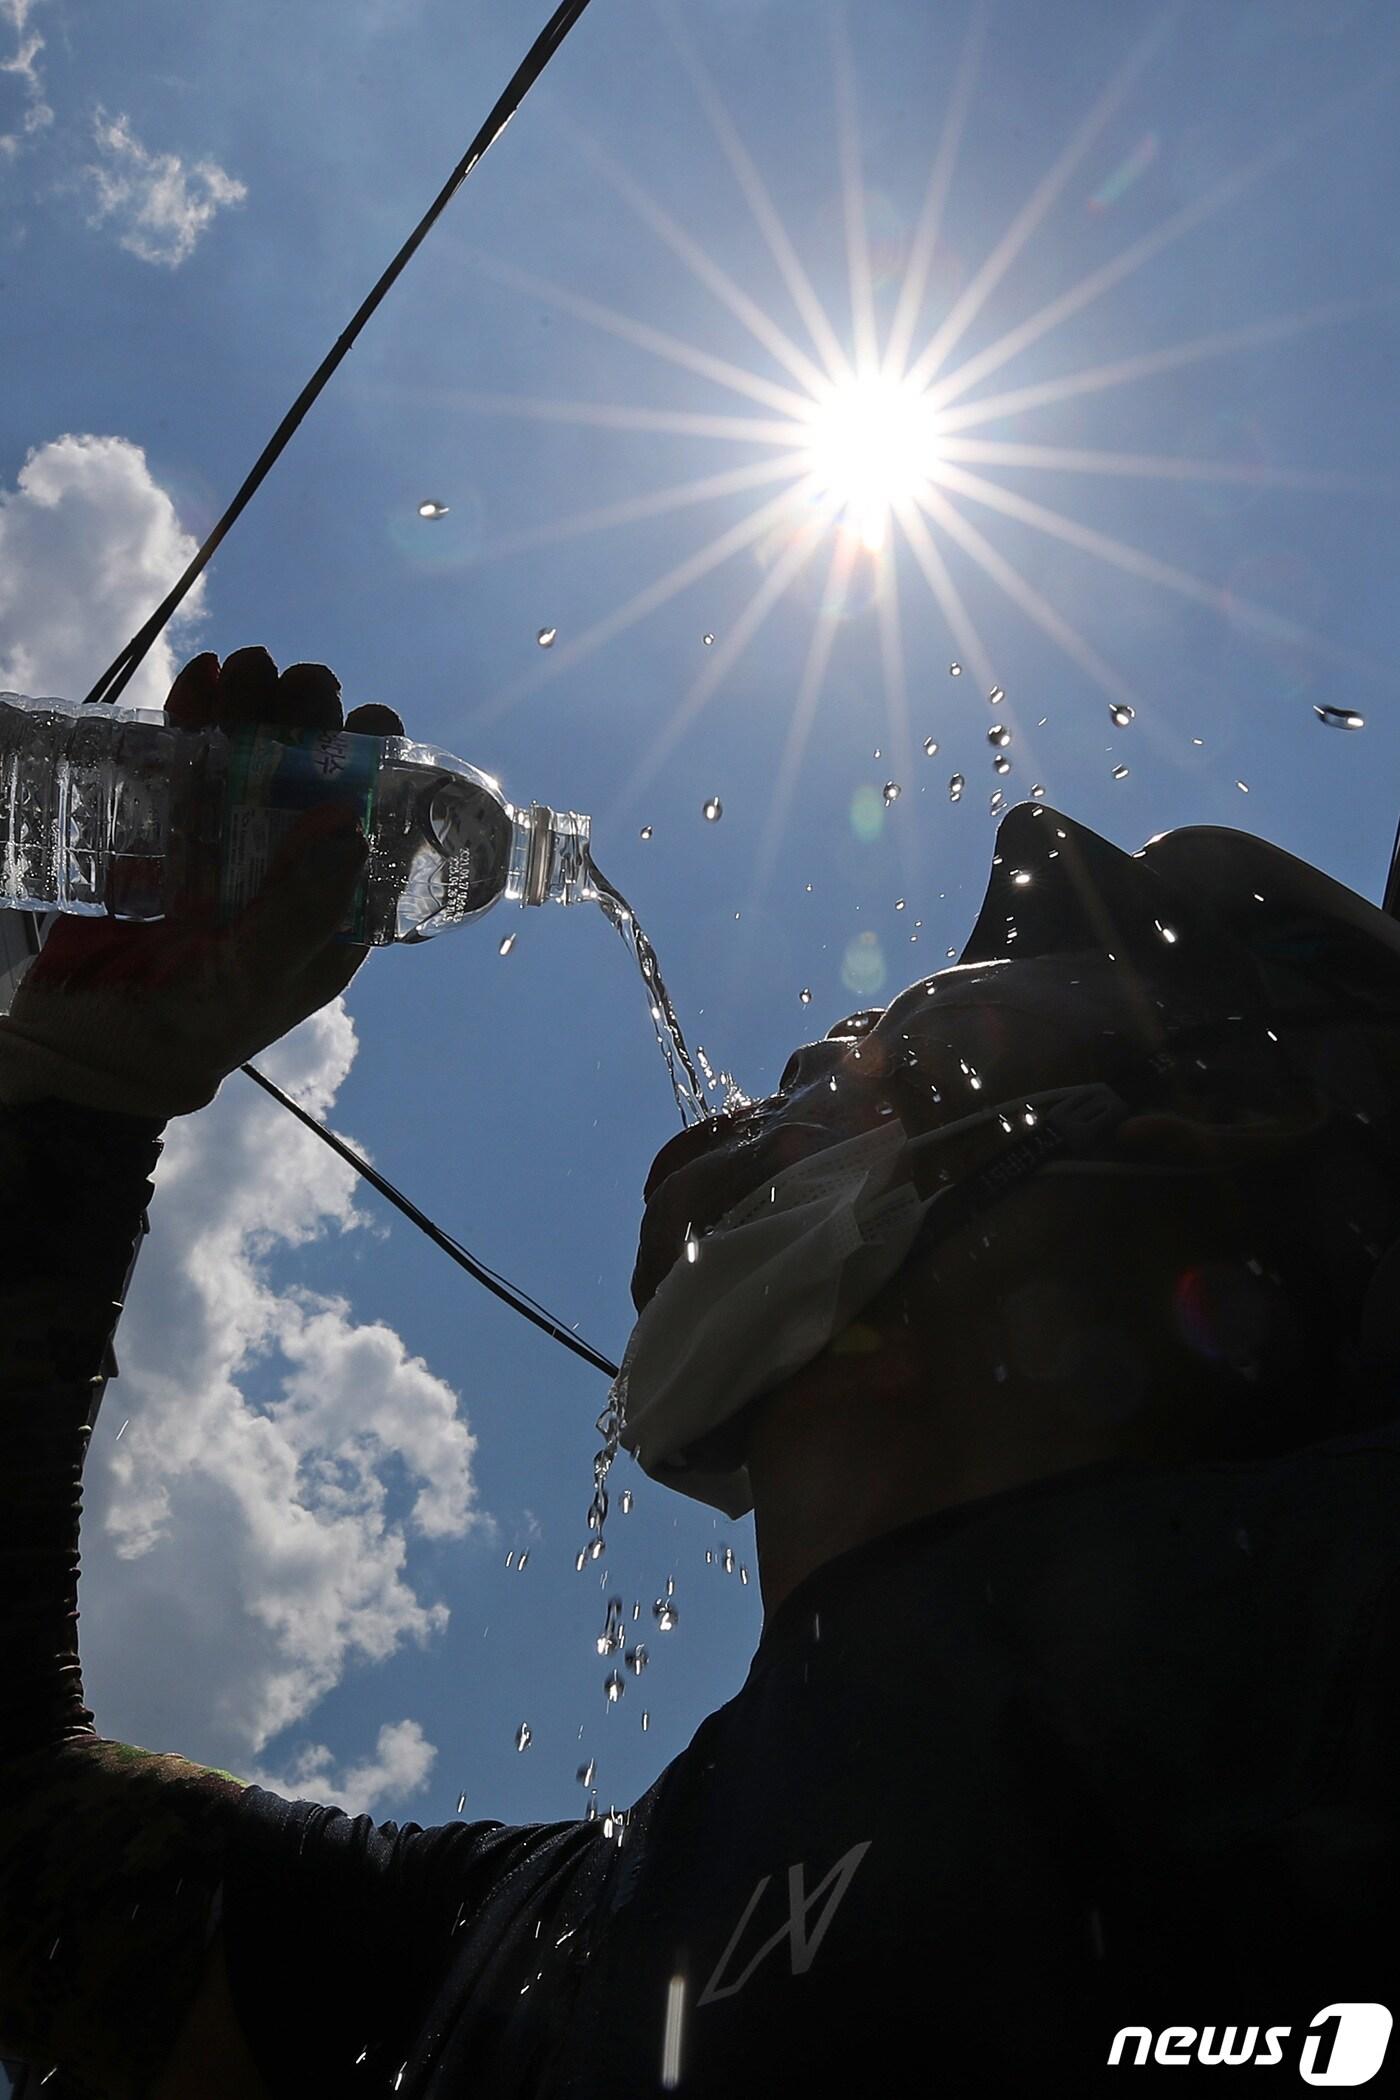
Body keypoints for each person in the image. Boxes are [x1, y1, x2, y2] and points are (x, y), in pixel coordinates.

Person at [1, 646, 1397, 2099]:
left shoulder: (1333, 1628)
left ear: (1187, 1161)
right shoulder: (559, 1934)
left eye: (918, 1049)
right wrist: (77, 1095)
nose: (773, 1091)